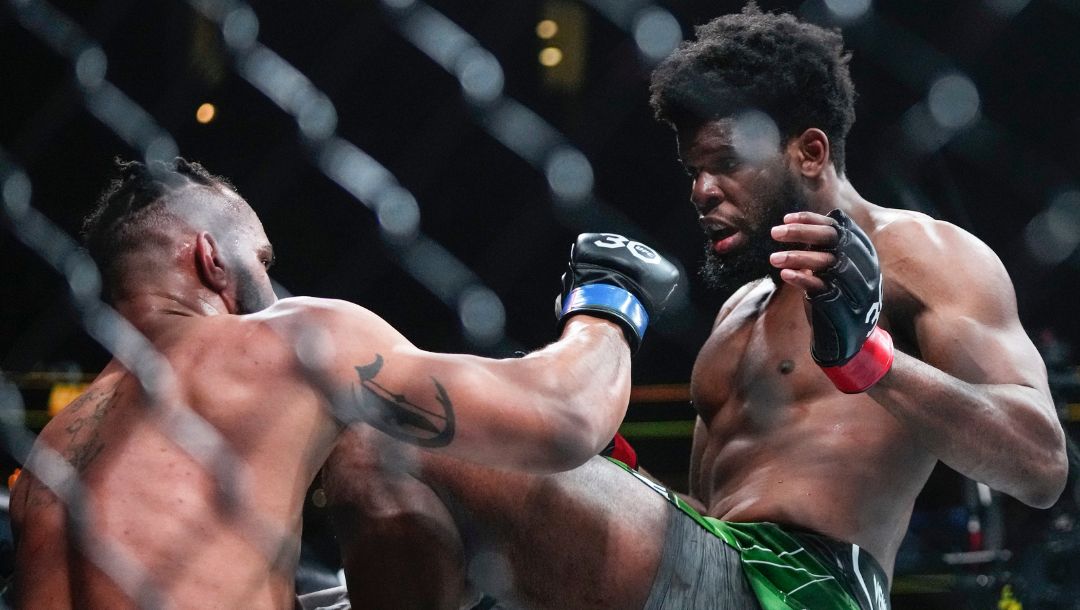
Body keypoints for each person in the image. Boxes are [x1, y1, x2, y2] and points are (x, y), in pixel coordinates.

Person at [316, 5, 1069, 609]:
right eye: (693, 170)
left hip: (808, 589)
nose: (701, 191)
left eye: (725, 164)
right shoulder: (740, 310)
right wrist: (612, 481)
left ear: (809, 152)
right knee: (385, 457)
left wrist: (869, 359)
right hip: (718, 571)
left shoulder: (925, 254)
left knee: (401, 432)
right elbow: (707, 530)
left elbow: (1039, 465)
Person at [8, 158, 680, 609]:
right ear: (210, 259)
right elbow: (563, 418)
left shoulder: (54, 446)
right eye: (259, 259)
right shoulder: (287, 340)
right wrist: (608, 302)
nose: (271, 284)